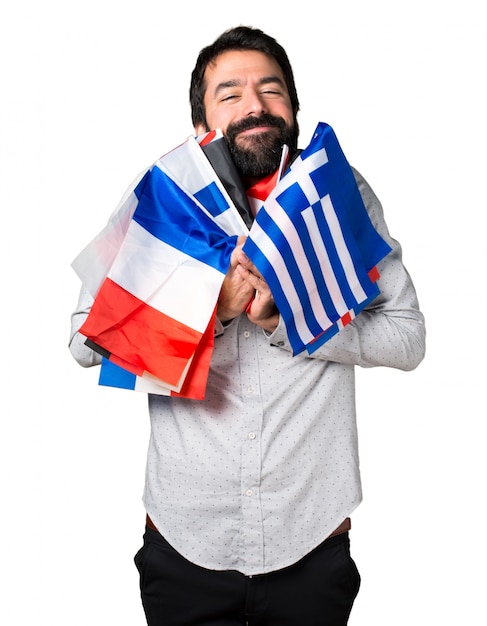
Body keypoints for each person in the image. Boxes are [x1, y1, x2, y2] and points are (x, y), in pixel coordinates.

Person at [69, 25, 426, 626]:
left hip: (312, 539)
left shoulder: (340, 196)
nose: (254, 105)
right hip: (185, 541)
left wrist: (291, 319)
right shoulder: (163, 200)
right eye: (229, 93)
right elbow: (85, 342)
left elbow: (409, 337)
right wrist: (215, 310)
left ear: (292, 105)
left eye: (271, 89)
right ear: (202, 118)